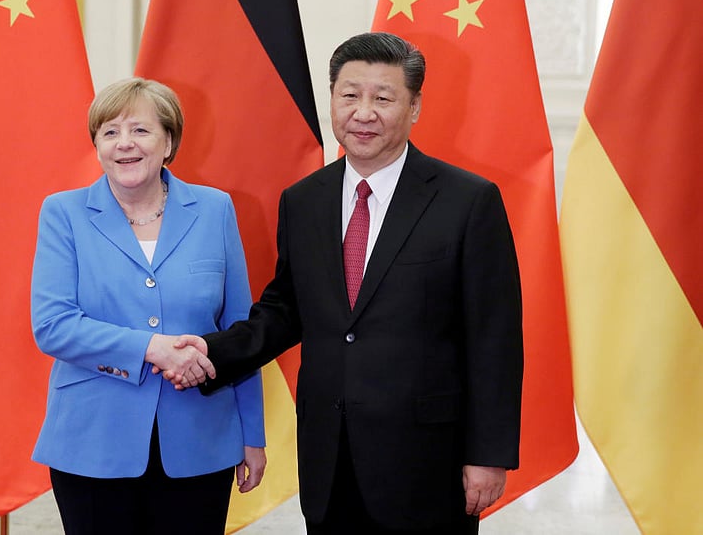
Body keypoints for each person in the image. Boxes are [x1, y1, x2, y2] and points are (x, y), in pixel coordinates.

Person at [166, 32, 523, 534]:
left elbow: (495, 339)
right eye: (349, 95)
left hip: (427, 461)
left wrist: (488, 455)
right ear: (332, 98)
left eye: (383, 98)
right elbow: (286, 309)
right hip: (330, 457)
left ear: (415, 107)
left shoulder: (468, 201)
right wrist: (209, 353)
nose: (363, 112)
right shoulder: (304, 200)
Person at [29, 77, 265, 534]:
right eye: (110, 132)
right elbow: (53, 325)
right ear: (96, 144)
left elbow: (241, 331)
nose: (125, 145)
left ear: (169, 140)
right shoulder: (63, 213)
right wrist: (151, 348)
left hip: (202, 441)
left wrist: (251, 435)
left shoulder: (215, 209)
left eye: (140, 130)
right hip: (92, 442)